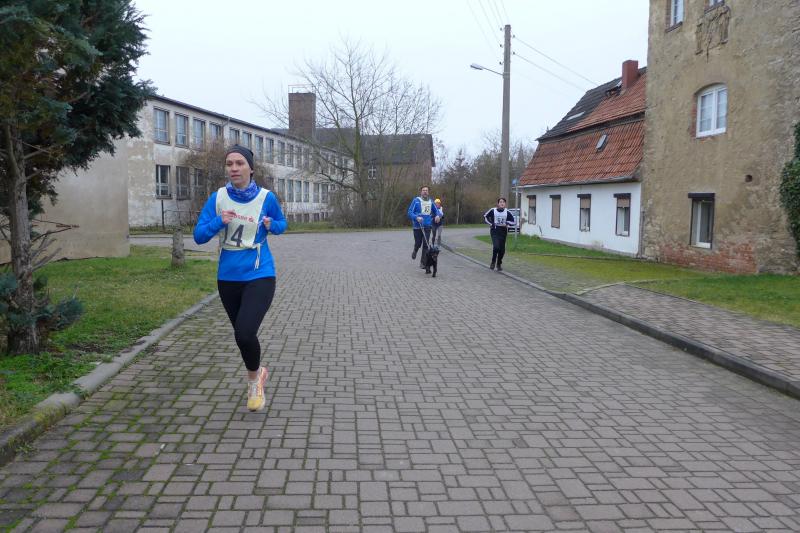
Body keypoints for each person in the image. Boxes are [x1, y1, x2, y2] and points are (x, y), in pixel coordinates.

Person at [193, 144, 287, 412]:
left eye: (239, 163)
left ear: (251, 168)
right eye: (229, 164)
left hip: (260, 272)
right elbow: (199, 236)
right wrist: (218, 222)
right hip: (228, 277)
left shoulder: (267, 198)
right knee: (241, 336)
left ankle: (254, 382)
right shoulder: (218, 198)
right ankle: (259, 371)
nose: (233, 168)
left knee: (245, 332)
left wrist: (272, 225)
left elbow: (282, 224)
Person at [407, 185, 440, 268]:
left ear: (428, 192)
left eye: (426, 190)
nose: (425, 191)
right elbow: (409, 212)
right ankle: (415, 250)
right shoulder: (416, 200)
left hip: (427, 226)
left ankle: (423, 263)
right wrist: (416, 217)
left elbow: (437, 211)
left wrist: (437, 216)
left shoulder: (431, 201)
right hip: (417, 226)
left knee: (426, 244)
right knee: (418, 243)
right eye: (423, 190)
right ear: (421, 192)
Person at [484, 197, 515, 272]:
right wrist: (492, 223)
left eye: (503, 202)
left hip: (503, 231)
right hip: (495, 230)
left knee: (502, 250)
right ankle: (493, 262)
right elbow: (485, 217)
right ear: (498, 204)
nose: (502, 203)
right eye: (500, 202)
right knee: (496, 247)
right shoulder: (493, 210)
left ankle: (499, 264)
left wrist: (507, 223)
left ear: (505, 204)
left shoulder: (508, 212)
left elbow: (513, 222)